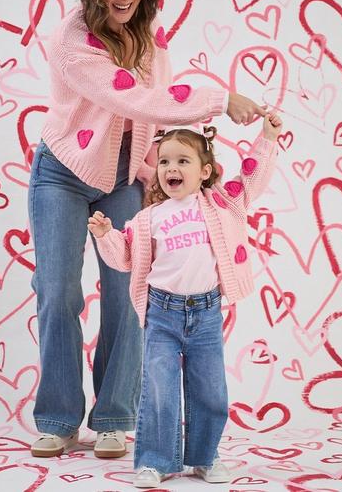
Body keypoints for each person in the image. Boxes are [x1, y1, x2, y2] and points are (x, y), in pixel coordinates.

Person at [28, 0, 269, 459]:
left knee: (127, 292)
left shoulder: (150, 39)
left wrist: (154, 175)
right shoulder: (73, 43)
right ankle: (59, 418)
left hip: (122, 179)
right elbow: (139, 98)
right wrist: (221, 98)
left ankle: (114, 416)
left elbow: (147, 116)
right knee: (58, 292)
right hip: (62, 173)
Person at [88, 111, 282, 487]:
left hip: (206, 313)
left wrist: (267, 137)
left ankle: (205, 457)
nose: (170, 168)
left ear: (204, 172)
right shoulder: (149, 218)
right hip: (162, 313)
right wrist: (105, 235)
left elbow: (251, 180)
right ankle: (155, 461)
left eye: (182, 161)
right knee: (158, 389)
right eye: (163, 161)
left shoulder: (221, 205)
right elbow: (123, 258)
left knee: (209, 388)